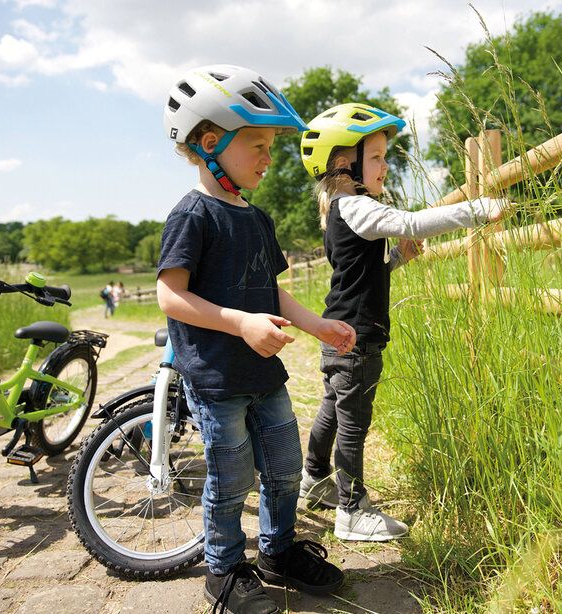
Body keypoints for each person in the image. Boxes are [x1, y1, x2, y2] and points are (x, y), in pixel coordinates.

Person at [156, 65, 356, 614]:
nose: (270, 157)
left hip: (265, 375)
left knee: (285, 467)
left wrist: (318, 325)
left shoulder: (259, 219)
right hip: (218, 377)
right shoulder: (192, 215)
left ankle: (278, 551)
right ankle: (222, 571)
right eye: (260, 145)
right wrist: (240, 323)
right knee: (231, 477)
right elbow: (171, 298)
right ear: (212, 142)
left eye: (271, 146)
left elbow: (273, 293)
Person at [297, 103, 508, 541]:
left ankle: (313, 480)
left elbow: (360, 274)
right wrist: (478, 209)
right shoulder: (355, 206)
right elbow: (410, 221)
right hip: (356, 337)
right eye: (375, 157)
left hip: (340, 327)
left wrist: (395, 260)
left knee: (333, 411)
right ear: (344, 163)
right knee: (353, 421)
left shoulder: (343, 210)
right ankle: (352, 510)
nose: (385, 166)